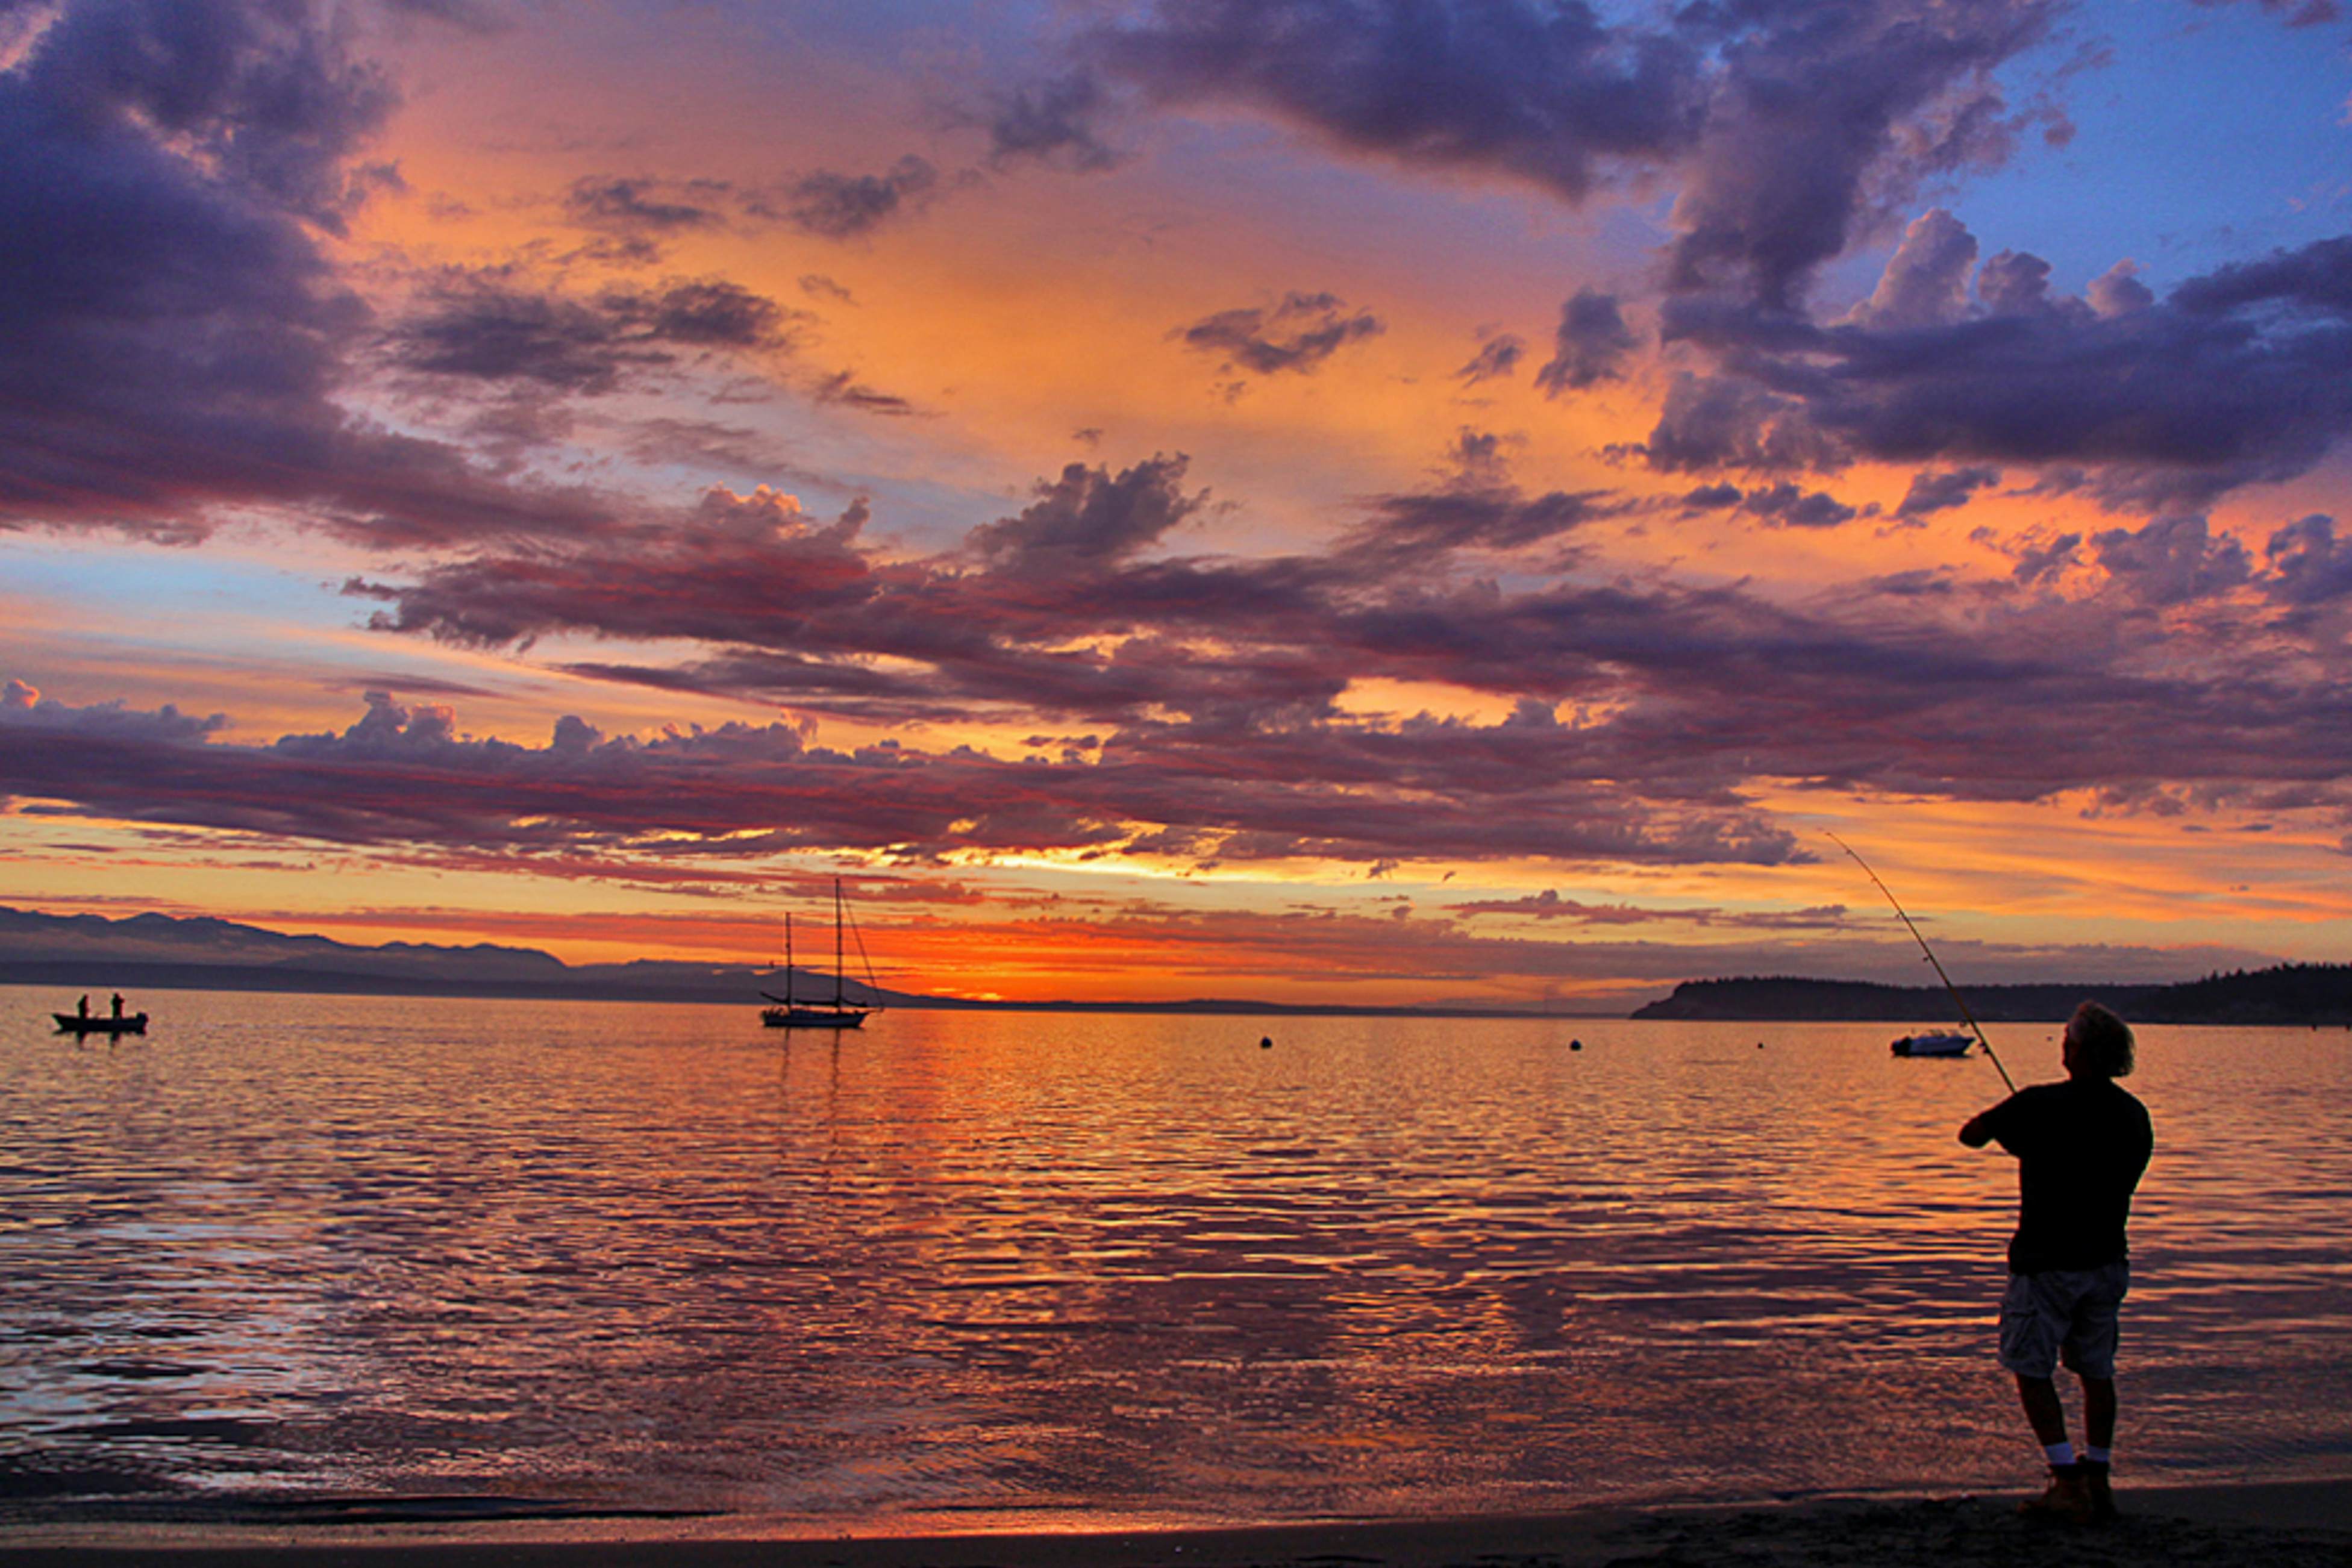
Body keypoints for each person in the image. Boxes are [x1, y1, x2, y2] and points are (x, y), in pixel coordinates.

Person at [1960, 1000, 2153, 1525]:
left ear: (2080, 1051)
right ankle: (2099, 1478)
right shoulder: (2134, 1115)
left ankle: (2067, 1480)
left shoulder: (2040, 1104)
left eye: (2067, 1038)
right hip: (2107, 1262)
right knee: (2097, 1370)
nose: (2062, 1045)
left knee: (2030, 1367)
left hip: (2046, 1265)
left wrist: (2011, 1128)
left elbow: (1970, 1135)